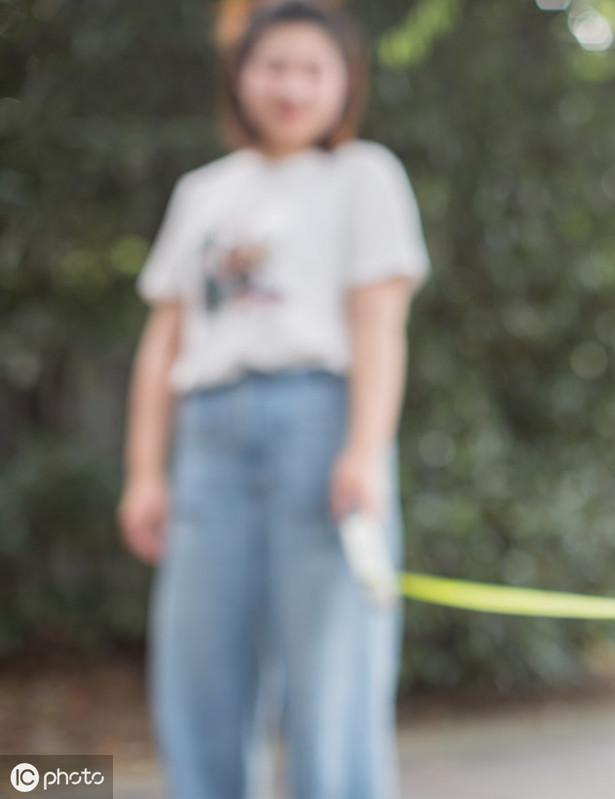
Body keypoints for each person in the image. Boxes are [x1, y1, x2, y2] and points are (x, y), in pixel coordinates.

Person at [116, 2, 430, 796]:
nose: (291, 84)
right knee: (198, 660)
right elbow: (165, 341)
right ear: (241, 77)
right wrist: (146, 471)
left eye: (312, 68)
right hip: (209, 437)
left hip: (320, 424)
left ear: (343, 83)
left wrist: (363, 447)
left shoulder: (365, 175)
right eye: (274, 65)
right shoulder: (202, 191)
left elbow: (377, 326)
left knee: (334, 665)